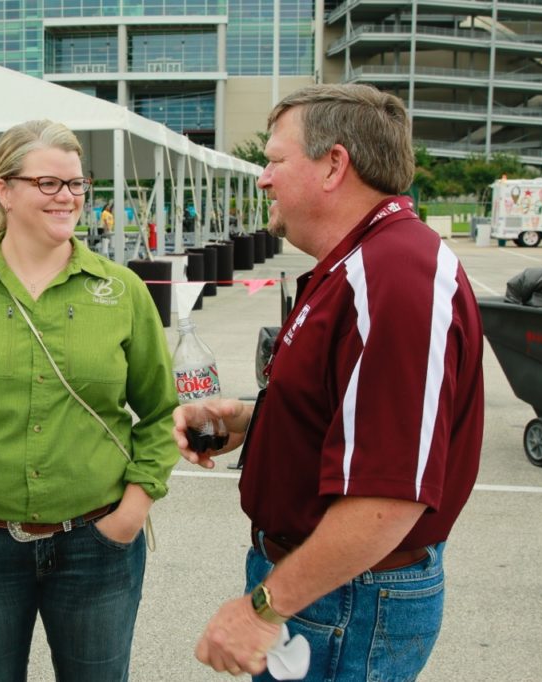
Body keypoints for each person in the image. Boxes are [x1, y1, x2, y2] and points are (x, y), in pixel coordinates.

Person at [175, 84, 484, 680]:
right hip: (327, 589)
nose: (263, 178)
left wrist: (263, 608)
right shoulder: (355, 262)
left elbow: (389, 497)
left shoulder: (395, 275)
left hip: (345, 599)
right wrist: (248, 418)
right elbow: (347, 409)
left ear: (333, 164)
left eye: (275, 159)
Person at [0, 119, 179, 682]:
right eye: (48, 183)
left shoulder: (122, 292)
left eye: (75, 184)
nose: (66, 197)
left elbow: (161, 413)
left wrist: (132, 513)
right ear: (4, 189)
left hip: (98, 544)